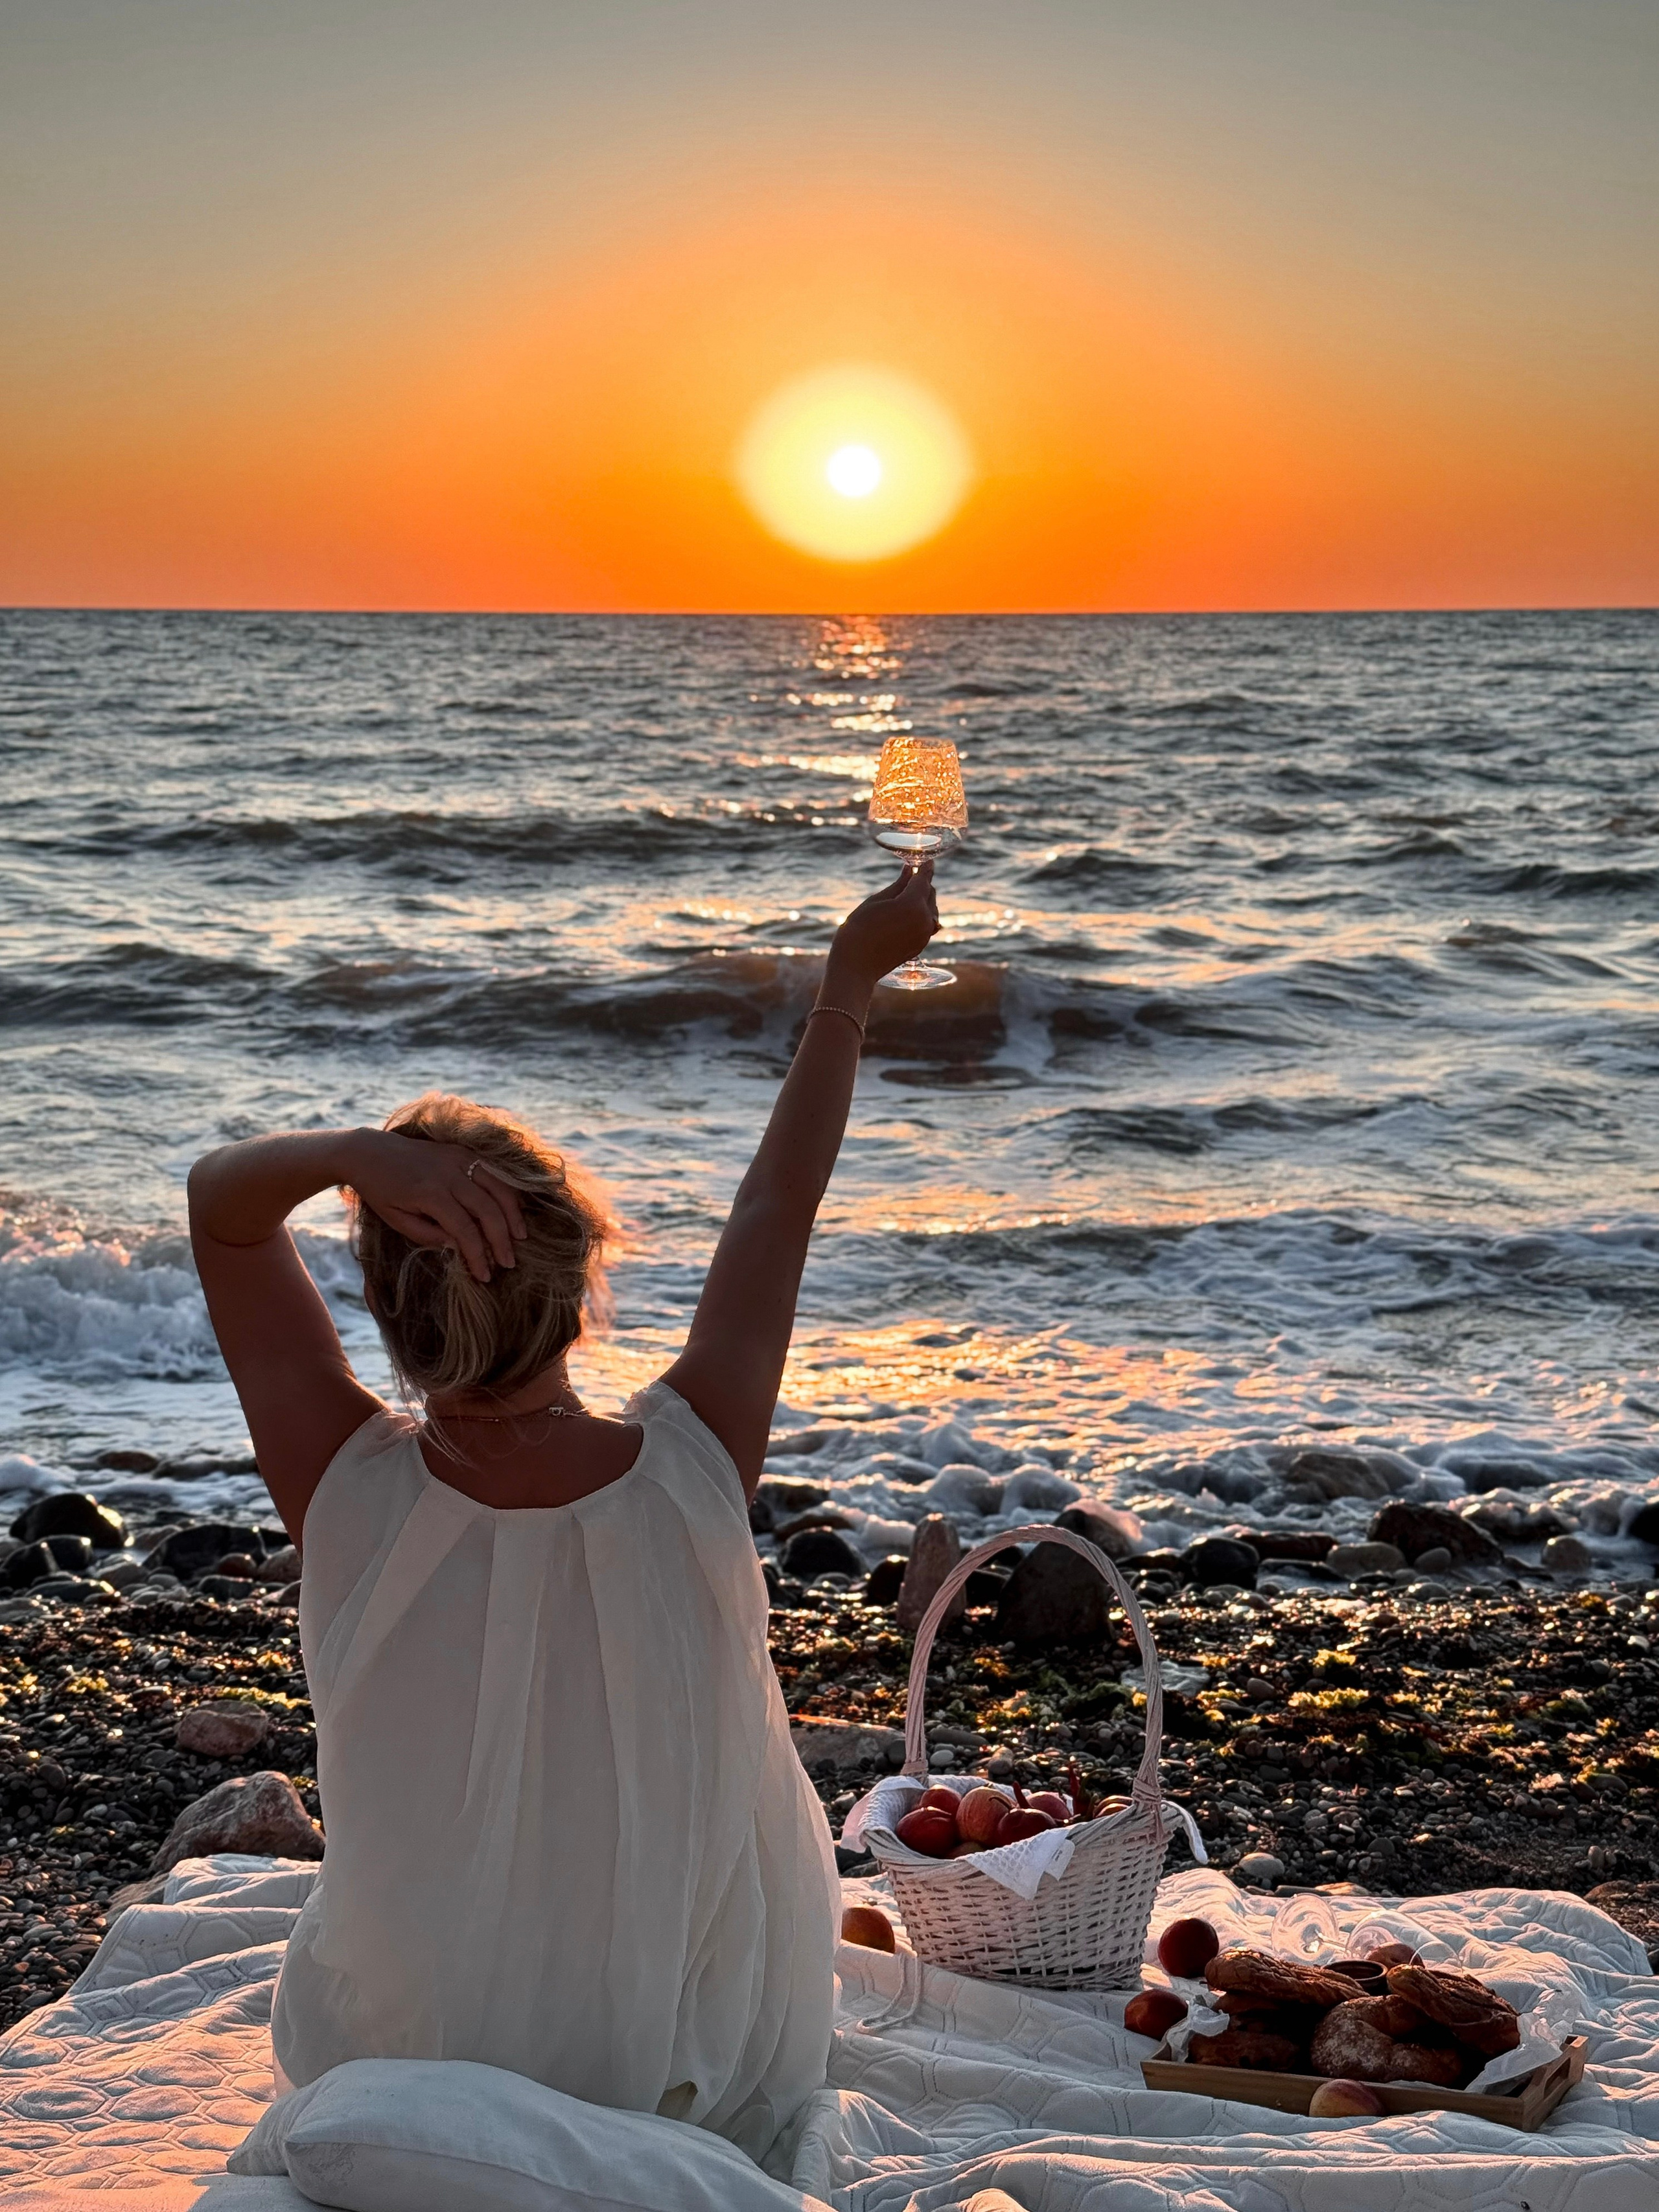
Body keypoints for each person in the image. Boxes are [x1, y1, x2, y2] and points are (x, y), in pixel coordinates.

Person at [187, 864, 940, 2163]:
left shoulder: (347, 1492)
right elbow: (777, 1205)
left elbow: (221, 1209)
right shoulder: (693, 1462)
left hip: (396, 2057)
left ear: (382, 1307)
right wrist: (845, 985)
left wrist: (349, 1156)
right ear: (584, 1279)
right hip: (691, 2076)